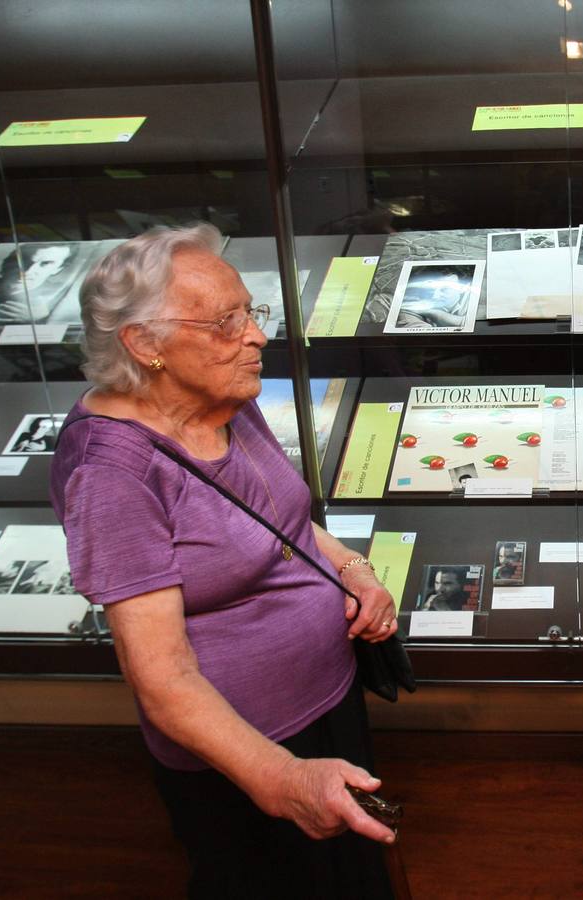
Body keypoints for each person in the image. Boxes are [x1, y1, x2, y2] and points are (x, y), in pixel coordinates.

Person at [49, 224, 399, 899]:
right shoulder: (111, 475)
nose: (256, 336)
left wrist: (355, 570)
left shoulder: (221, 397)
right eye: (225, 322)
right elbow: (162, 679)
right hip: (243, 749)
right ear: (144, 344)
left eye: (250, 312)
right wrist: (281, 778)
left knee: (348, 875)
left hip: (325, 695)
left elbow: (282, 521)